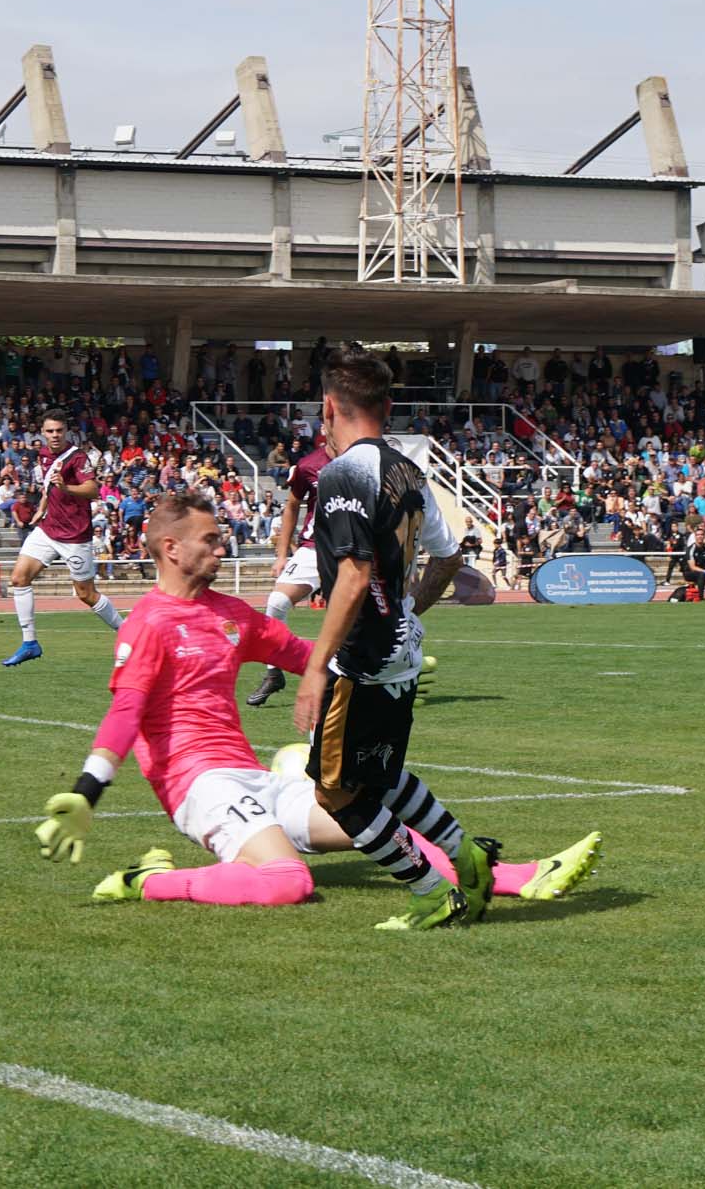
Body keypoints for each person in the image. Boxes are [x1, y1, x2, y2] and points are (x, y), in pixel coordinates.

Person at [33, 491, 603, 912]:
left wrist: (382, 677)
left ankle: (520, 876)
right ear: (169, 547)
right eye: (210, 539)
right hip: (199, 787)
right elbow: (126, 712)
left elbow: (310, 654)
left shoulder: (232, 615)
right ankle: (145, 880)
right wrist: (88, 791)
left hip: (257, 780)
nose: (221, 545)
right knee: (289, 883)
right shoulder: (149, 623)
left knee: (378, 822)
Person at [289, 343, 497, 930]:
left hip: (365, 658)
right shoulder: (409, 469)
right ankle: (464, 852)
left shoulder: (342, 473)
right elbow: (450, 557)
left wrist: (313, 668)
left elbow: (353, 576)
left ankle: (430, 891)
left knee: (334, 792)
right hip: (402, 650)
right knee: (374, 774)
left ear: (330, 407)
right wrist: (408, 607)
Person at [2, 412, 122, 667]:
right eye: (50, 431)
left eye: (59, 430)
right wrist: (42, 507)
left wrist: (67, 488)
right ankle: (30, 643)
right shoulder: (44, 455)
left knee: (86, 594)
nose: (55, 435)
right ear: (42, 433)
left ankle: (127, 631)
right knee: (18, 578)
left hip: (75, 535)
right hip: (47, 529)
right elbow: (50, 486)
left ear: (66, 431)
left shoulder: (78, 457)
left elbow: (92, 489)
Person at [245, 435, 330, 708]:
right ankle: (273, 672)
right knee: (276, 601)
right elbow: (292, 505)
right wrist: (282, 555)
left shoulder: (365, 459)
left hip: (353, 550)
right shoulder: (309, 464)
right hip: (314, 547)